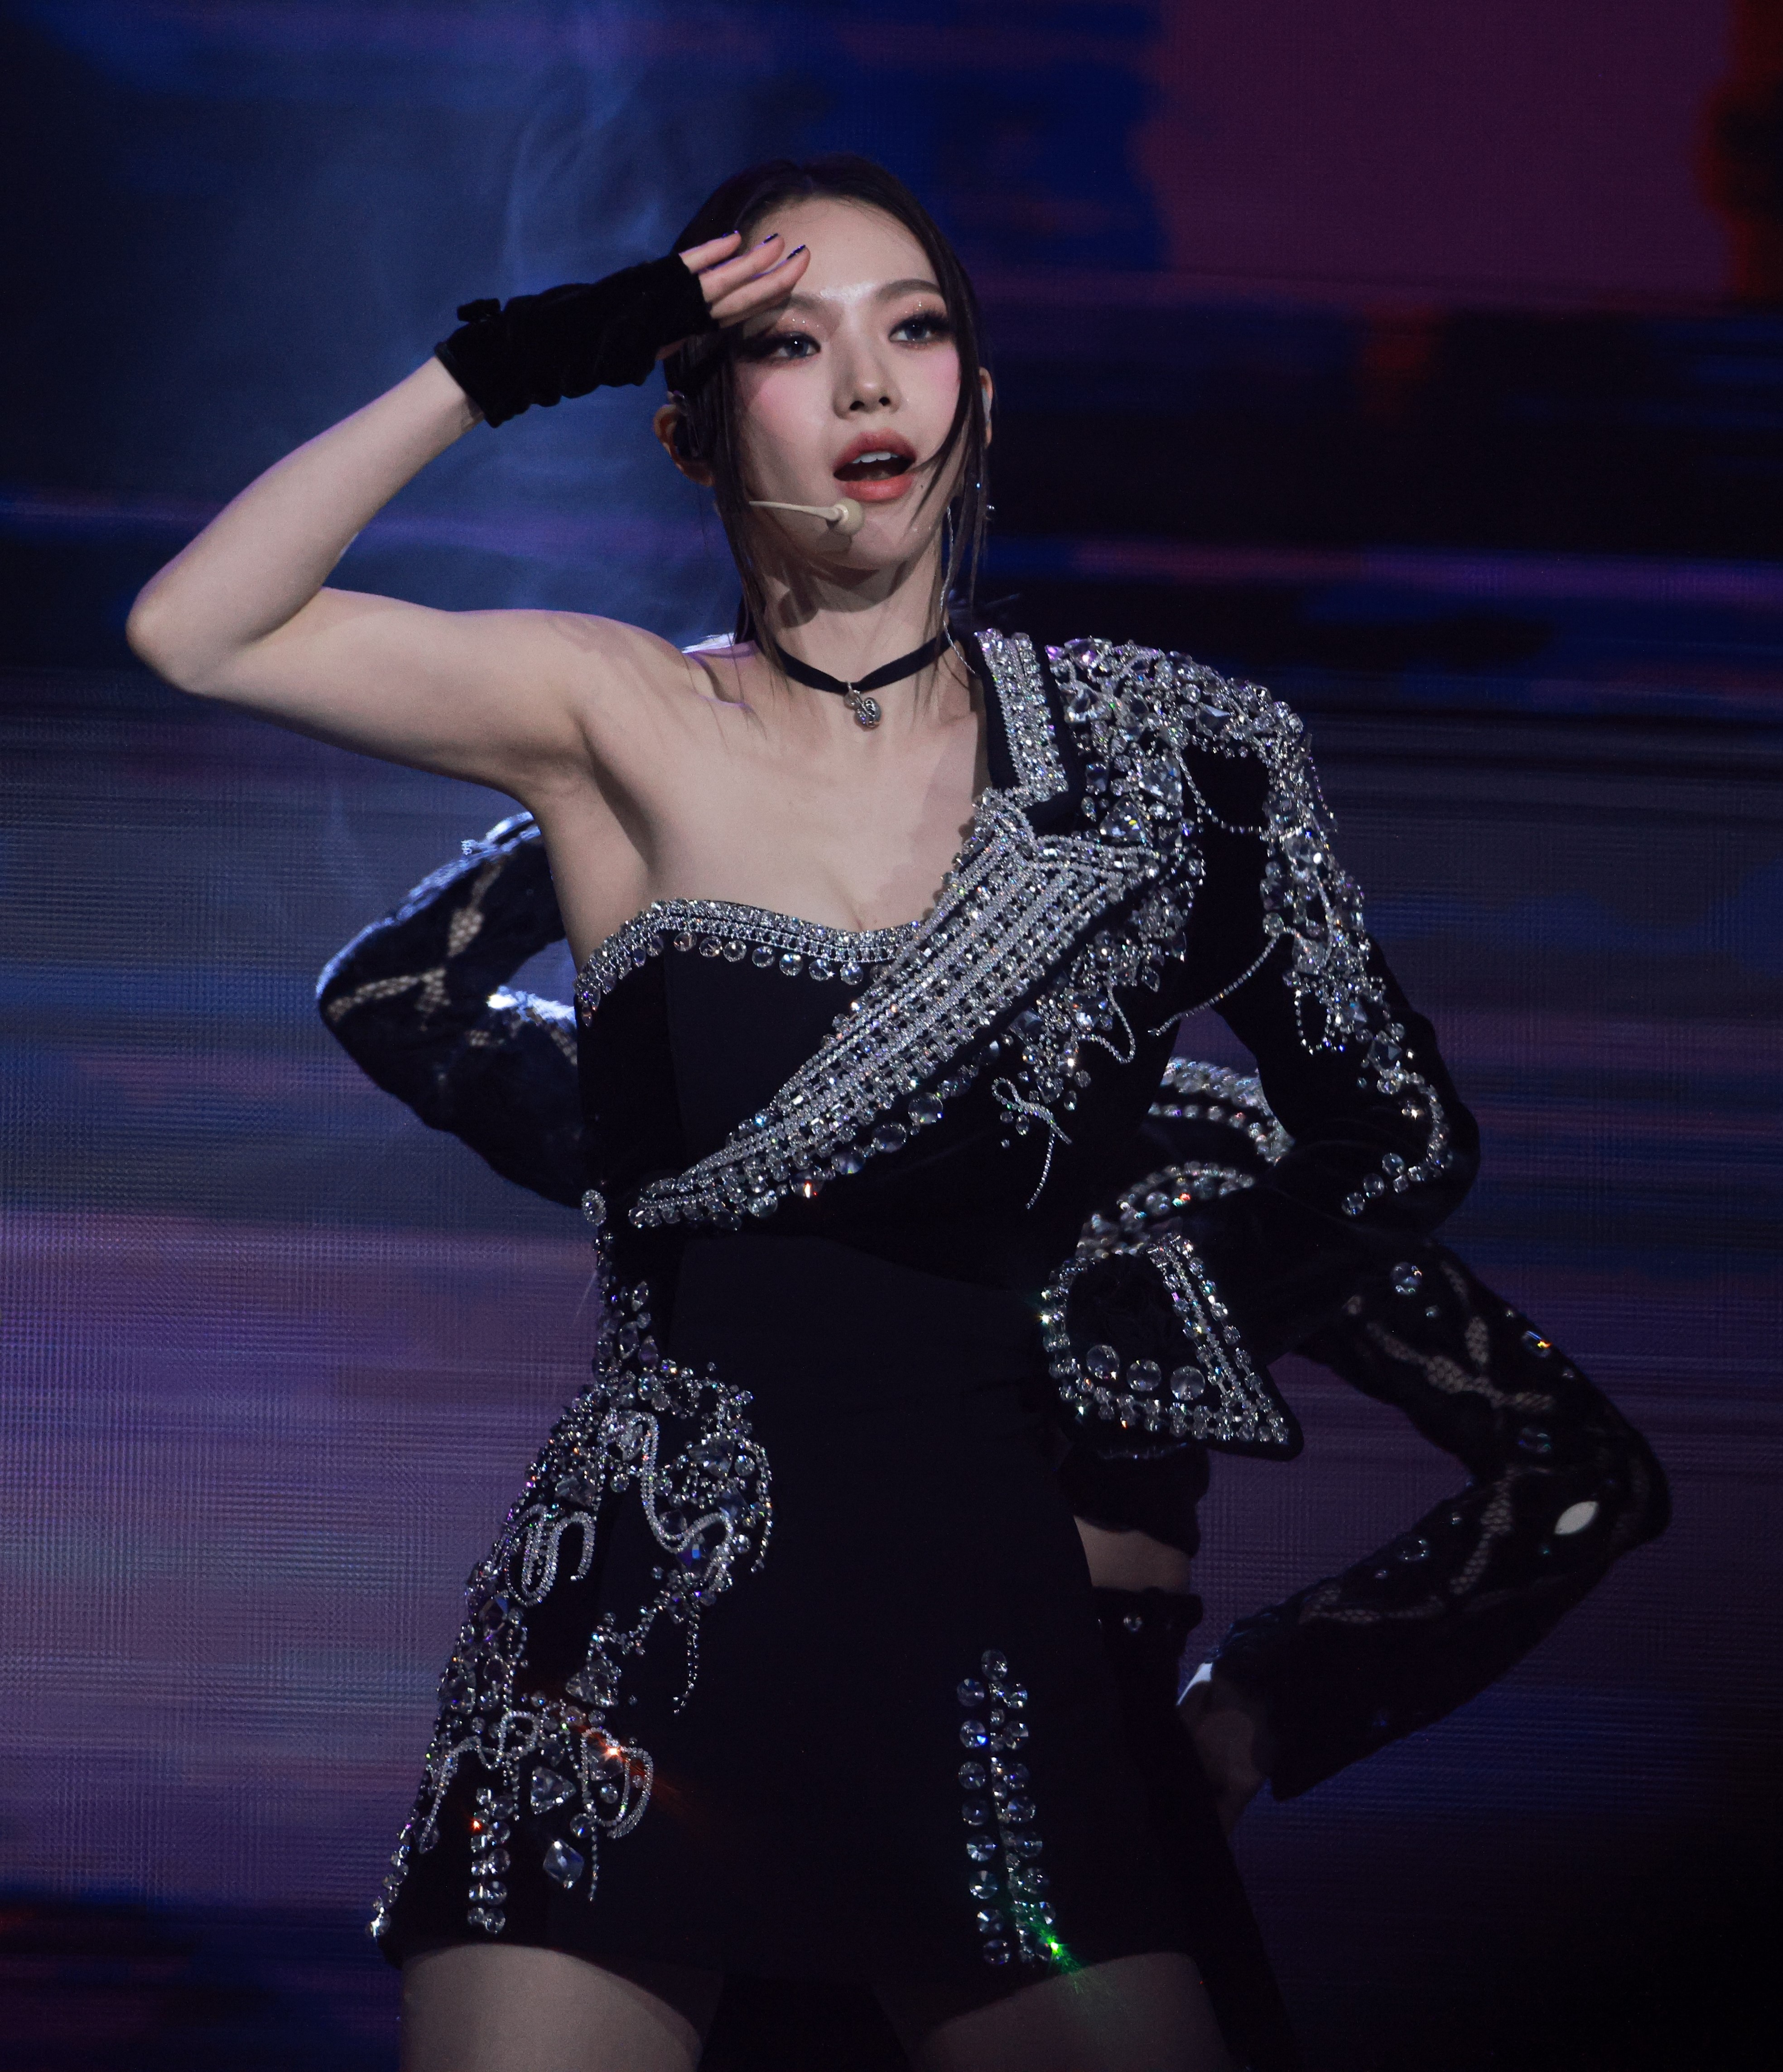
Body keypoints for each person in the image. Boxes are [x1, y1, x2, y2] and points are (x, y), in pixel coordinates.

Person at [125, 153, 1663, 2072]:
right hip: (644, 1619)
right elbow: (200, 630)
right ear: (692, 430)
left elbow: (1398, 1133)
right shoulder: (617, 716)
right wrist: (506, 364)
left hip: (987, 1635)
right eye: (792, 343)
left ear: (979, 400)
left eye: (916, 330)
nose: (869, 383)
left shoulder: (1173, 761)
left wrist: (1149, 1296)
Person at [314, 811, 1670, 2072]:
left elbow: (1576, 1471)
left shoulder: (1217, 1157)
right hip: (712, 1711)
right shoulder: (725, 1126)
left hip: (1054, 1746)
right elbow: (398, 999)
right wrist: (632, 784)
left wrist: (1268, 1698)